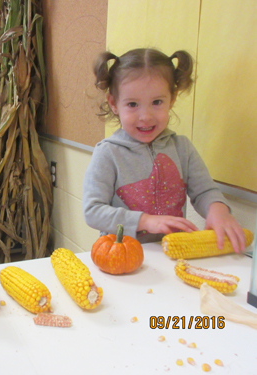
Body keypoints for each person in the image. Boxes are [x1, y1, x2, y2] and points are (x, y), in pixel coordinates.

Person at [83, 48, 246, 252]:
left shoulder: (182, 148)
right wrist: (145, 221)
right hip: (120, 258)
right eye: (133, 104)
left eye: (157, 102)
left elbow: (204, 191)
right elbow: (93, 211)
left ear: (172, 98)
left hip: (173, 255)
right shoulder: (108, 153)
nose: (146, 116)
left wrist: (218, 210)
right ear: (114, 103)